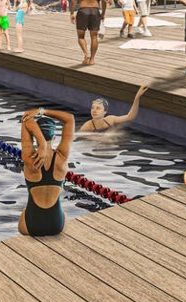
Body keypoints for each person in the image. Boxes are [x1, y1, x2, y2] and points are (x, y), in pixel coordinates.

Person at [19, 107, 74, 236]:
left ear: (35, 135)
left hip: (32, 225)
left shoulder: (29, 158)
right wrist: (41, 111)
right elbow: (70, 119)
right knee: (64, 213)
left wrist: (41, 143)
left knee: (24, 211)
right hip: (57, 225)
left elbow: (25, 119)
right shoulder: (62, 157)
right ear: (54, 137)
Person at [71, 0, 108, 66]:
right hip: (95, 10)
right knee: (94, 37)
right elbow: (104, 0)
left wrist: (72, 13)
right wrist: (103, 13)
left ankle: (86, 54)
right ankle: (92, 59)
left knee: (81, 36)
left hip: (83, 10)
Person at [79, 85, 148, 133]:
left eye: (98, 108)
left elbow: (130, 117)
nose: (94, 110)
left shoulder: (110, 120)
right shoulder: (87, 126)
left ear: (105, 112)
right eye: (92, 108)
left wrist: (137, 97)